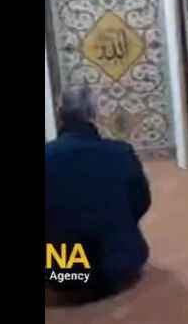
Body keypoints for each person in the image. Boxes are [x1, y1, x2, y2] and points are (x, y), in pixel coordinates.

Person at [45, 86, 151, 302]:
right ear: (94, 114)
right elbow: (142, 201)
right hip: (122, 266)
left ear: (60, 113)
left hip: (63, 273)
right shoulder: (121, 152)